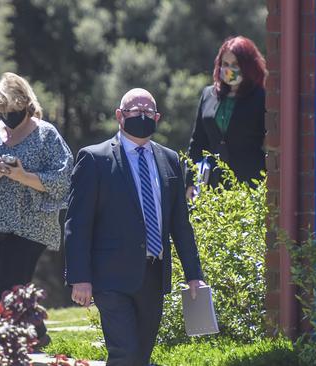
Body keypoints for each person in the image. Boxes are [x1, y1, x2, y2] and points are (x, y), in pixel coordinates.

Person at [64, 88, 205, 366]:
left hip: (152, 275)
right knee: (124, 353)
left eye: (148, 112)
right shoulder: (95, 159)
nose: (142, 116)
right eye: (135, 111)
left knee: (141, 355)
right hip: (110, 278)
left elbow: (180, 224)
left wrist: (193, 274)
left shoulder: (170, 160)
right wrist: (80, 276)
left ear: (158, 117)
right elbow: (77, 223)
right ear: (119, 116)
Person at [0, 72, 73, 348]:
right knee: (7, 284)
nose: (8, 114)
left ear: (25, 103)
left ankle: (5, 343)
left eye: (13, 109)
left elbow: (62, 178)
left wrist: (21, 175)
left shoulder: (46, 134)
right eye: (2, 109)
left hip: (31, 223)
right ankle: (38, 335)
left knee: (8, 285)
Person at [186, 35, 267, 199]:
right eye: (225, 64)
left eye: (236, 65)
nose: (229, 69)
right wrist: (190, 181)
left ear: (248, 66)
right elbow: (197, 142)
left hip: (248, 185)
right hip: (211, 187)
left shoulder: (261, 97)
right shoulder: (208, 94)